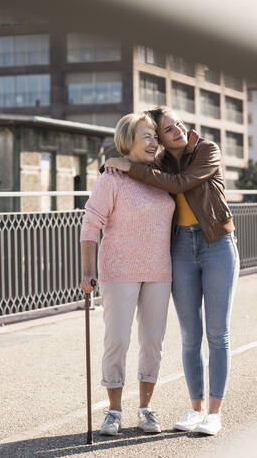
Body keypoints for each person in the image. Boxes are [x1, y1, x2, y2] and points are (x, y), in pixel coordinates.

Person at [104, 106, 239, 436]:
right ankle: (196, 409)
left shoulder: (207, 149)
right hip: (180, 246)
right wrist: (115, 162)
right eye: (167, 128)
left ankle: (214, 413)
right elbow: (131, 158)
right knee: (190, 335)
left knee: (217, 333)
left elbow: (180, 184)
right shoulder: (159, 160)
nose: (177, 129)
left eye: (178, 123)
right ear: (161, 138)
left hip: (217, 242)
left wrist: (131, 168)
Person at [79, 113, 175, 435]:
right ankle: (114, 412)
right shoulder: (111, 179)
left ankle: (146, 409)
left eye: (154, 137)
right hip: (118, 270)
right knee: (117, 341)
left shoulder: (162, 176)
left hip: (159, 270)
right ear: (127, 142)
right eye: (145, 136)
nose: (153, 142)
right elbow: (91, 223)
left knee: (153, 342)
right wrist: (88, 271)